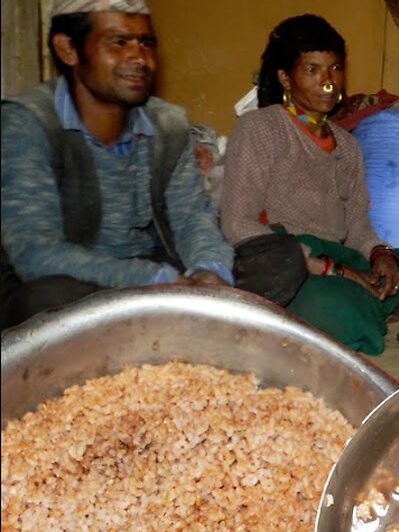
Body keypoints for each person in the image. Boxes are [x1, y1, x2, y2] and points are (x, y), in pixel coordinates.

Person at [220, 14, 399, 355]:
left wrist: (382, 256)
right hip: (294, 265)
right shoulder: (259, 129)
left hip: (347, 261)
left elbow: (357, 226)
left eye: (335, 69)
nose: (328, 82)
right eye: (312, 70)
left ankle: (368, 301)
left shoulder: (347, 145)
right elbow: (237, 223)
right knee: (340, 310)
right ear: (285, 78)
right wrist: (327, 267)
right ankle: (364, 308)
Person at [1, 0, 234, 329]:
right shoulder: (27, 122)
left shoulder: (168, 123)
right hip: (76, 282)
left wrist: (208, 271)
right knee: (45, 300)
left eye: (146, 43)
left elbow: (192, 216)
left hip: (159, 272)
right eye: (118, 42)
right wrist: (155, 280)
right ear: (68, 49)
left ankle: (166, 322)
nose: (140, 58)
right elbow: (36, 252)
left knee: (276, 257)